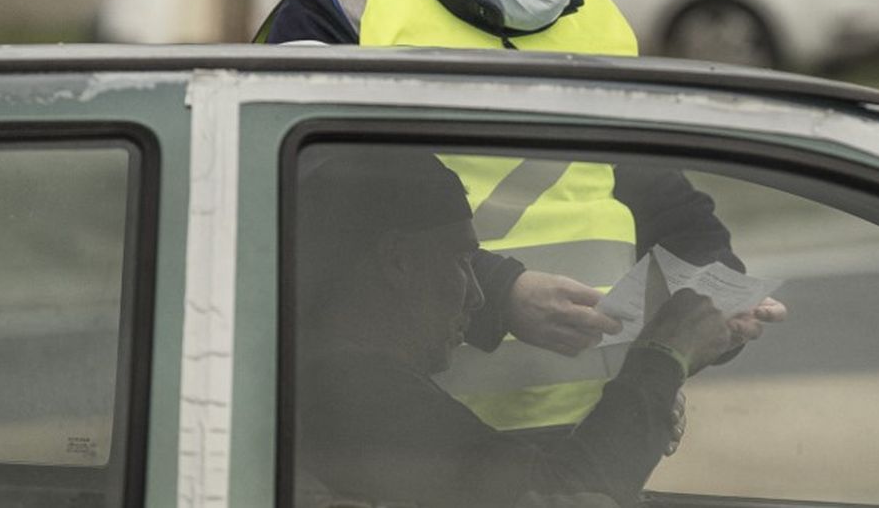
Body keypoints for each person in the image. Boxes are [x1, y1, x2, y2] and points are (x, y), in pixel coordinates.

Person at [259, 0, 785, 430]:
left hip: (579, 451)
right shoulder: (342, 11)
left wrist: (717, 287)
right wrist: (496, 297)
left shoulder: (599, 27)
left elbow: (660, 195)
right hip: (398, 448)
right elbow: (300, 214)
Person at [293, 149, 739, 508]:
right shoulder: (362, 401)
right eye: (462, 262)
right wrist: (662, 359)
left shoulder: (344, 384)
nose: (479, 297)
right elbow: (565, 497)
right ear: (397, 261)